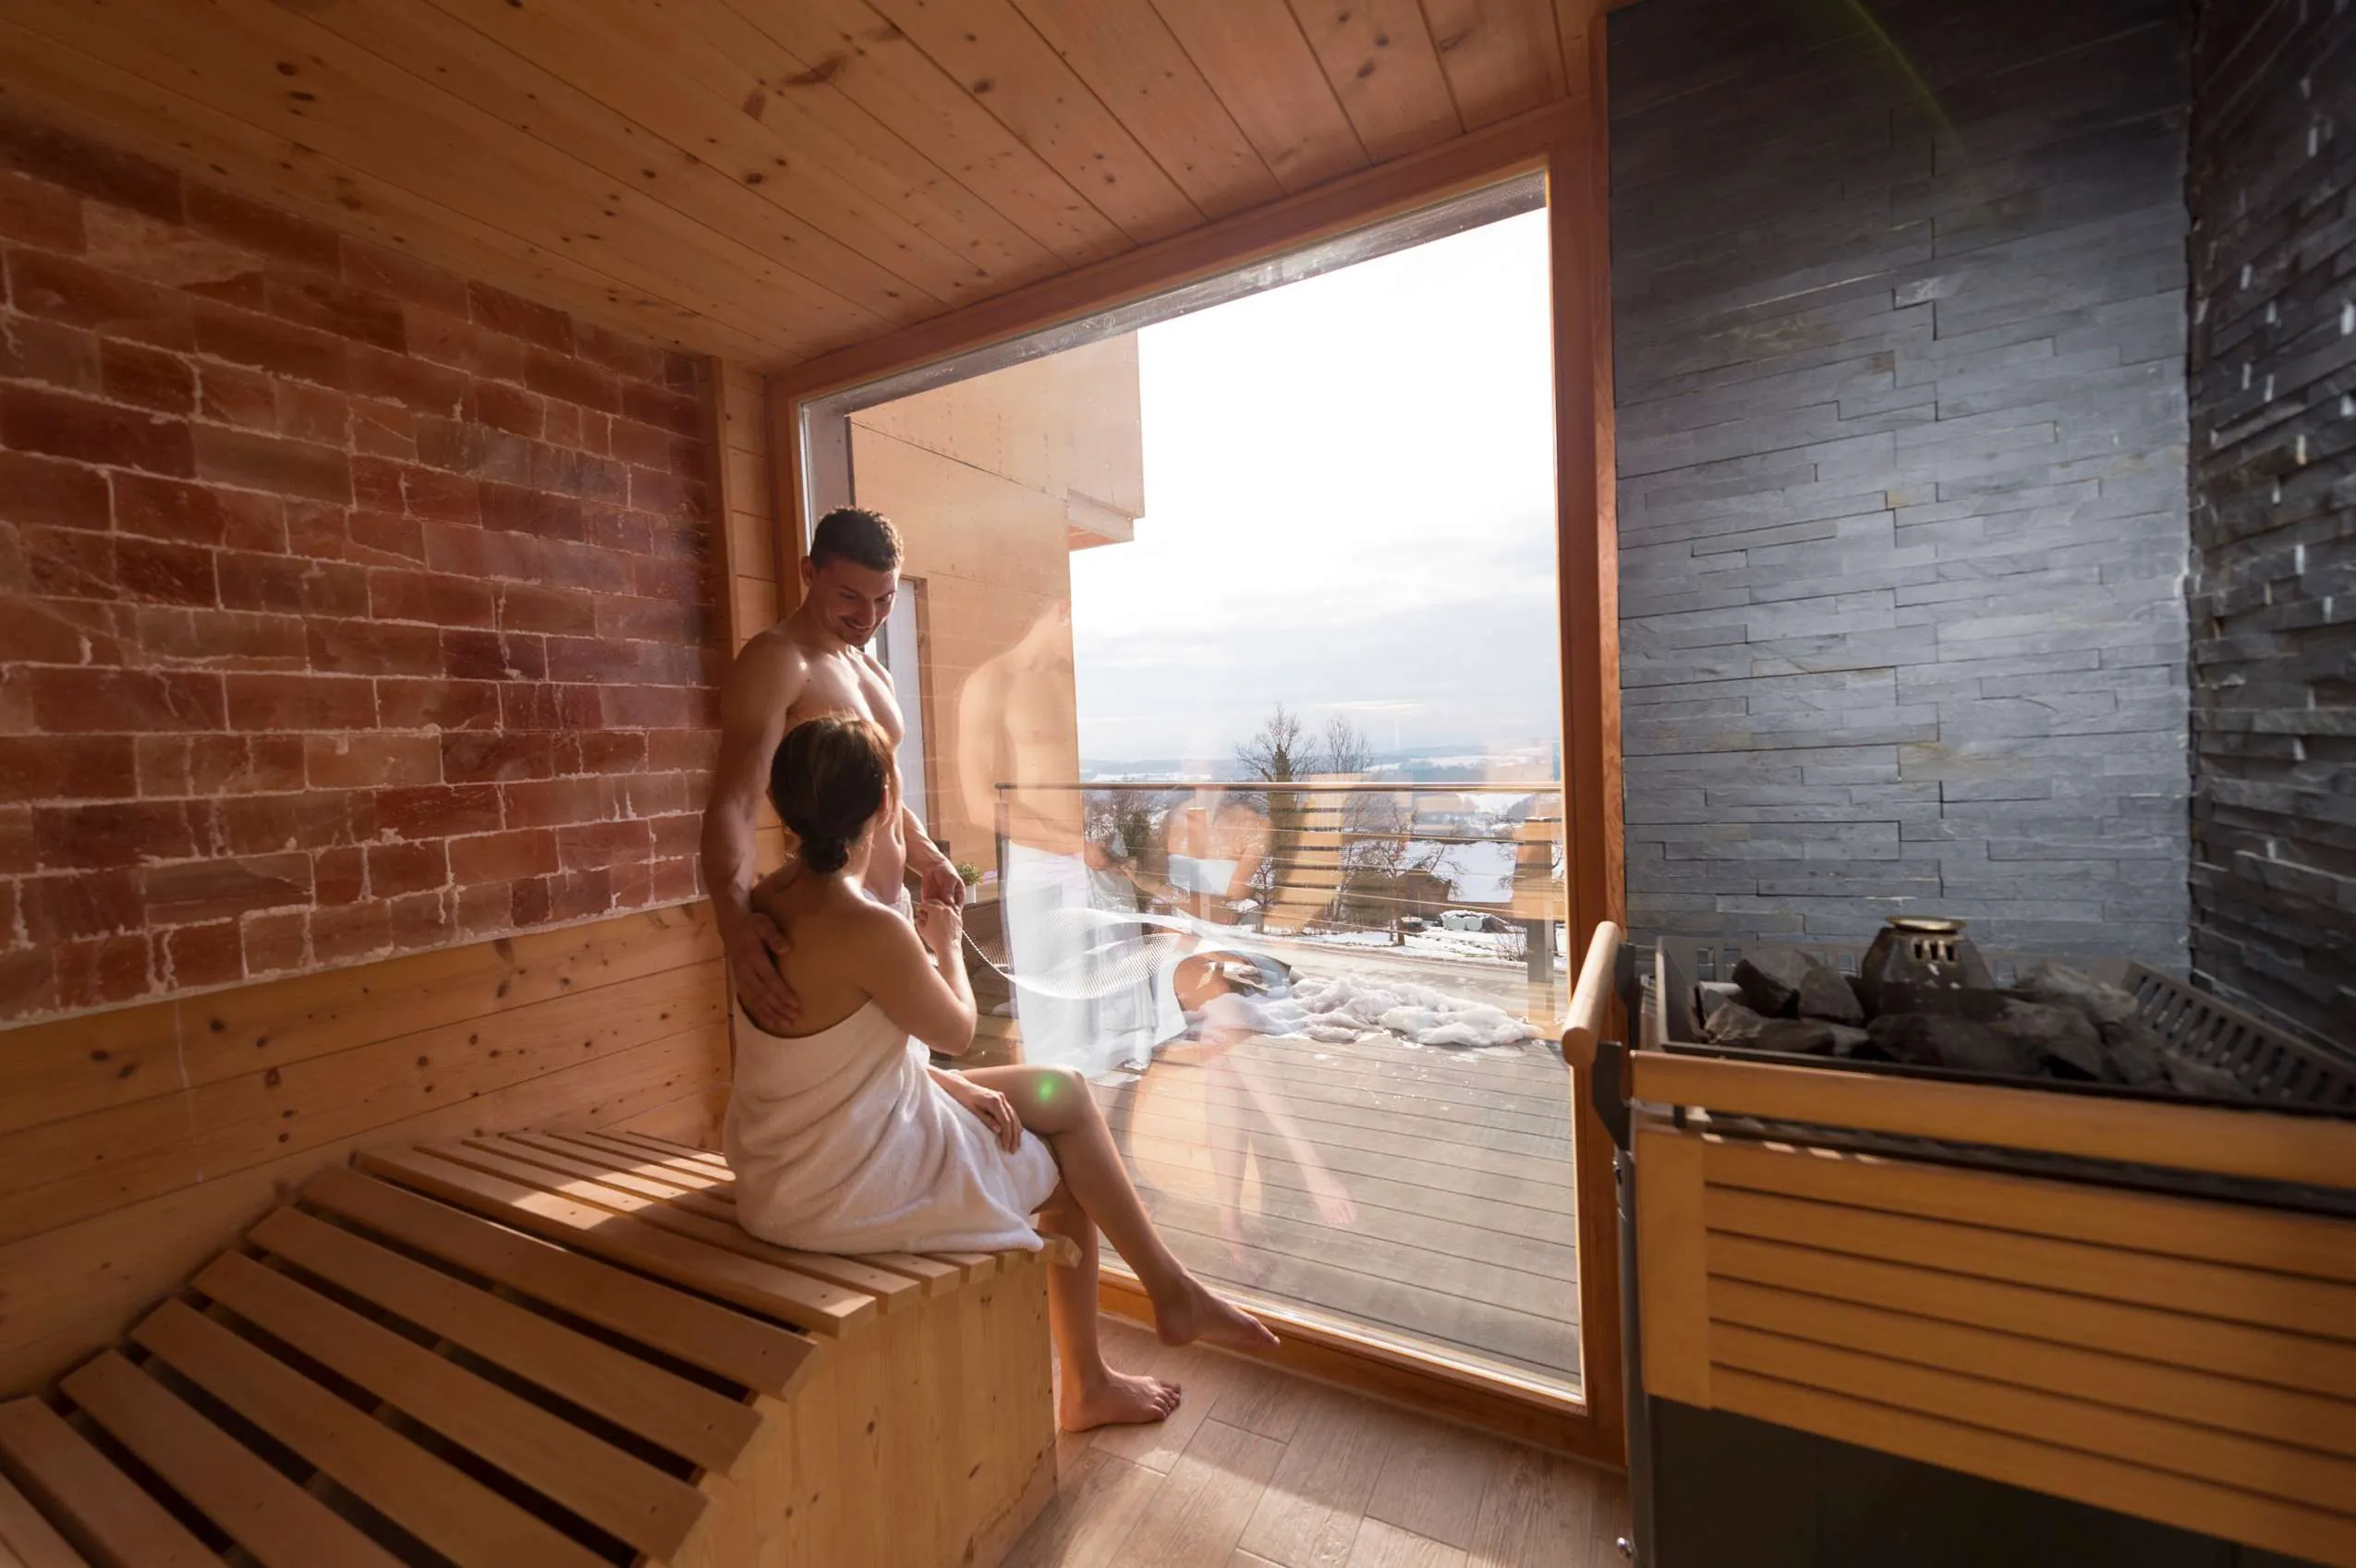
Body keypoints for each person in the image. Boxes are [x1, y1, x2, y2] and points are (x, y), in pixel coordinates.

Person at [727, 715, 1279, 1431]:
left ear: (783, 806)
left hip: (781, 1171)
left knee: (1066, 1094)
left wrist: (952, 1086)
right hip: (837, 1188)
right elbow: (956, 1028)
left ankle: (1166, 1295)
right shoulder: (868, 926)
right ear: (887, 806)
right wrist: (946, 939)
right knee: (1065, 1160)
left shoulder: (761, 907)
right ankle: (1094, 1374)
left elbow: (831, 1053)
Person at [702, 507, 965, 1035]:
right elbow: (734, 802)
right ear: (808, 572)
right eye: (850, 596)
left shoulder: (871, 669)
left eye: (884, 599)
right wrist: (734, 925)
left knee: (897, 1082)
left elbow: (878, 789)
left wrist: (927, 856)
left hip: (891, 908)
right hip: (835, 914)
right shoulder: (778, 661)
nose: (868, 616)